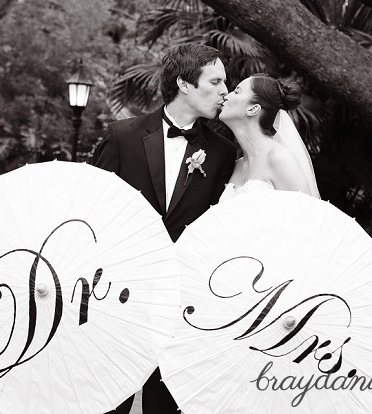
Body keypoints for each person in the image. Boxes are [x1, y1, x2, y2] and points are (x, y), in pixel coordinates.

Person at [93, 43, 238, 414]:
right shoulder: (122, 136)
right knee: (107, 397)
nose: (225, 90)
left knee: (166, 401)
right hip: (116, 293)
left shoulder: (221, 152)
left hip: (178, 298)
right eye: (216, 80)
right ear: (184, 84)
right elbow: (93, 215)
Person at [217, 73, 320, 202]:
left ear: (253, 109)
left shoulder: (280, 159)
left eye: (237, 92)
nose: (226, 96)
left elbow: (304, 216)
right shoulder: (236, 165)